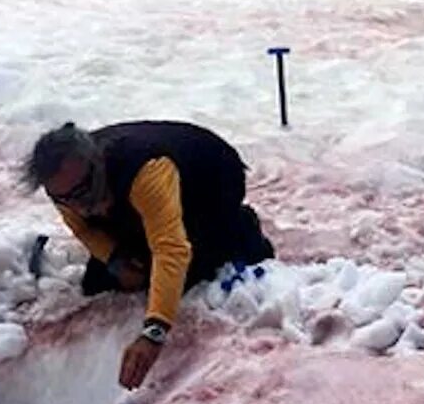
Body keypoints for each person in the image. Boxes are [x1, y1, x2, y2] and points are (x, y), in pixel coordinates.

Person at [20, 120, 274, 389]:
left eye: (81, 194)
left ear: (97, 166)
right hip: (129, 197)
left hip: (211, 180)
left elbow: (170, 250)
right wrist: (115, 259)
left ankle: (240, 229)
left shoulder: (145, 170)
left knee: (188, 275)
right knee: (100, 282)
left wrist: (154, 332)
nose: (76, 206)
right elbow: (83, 228)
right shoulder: (65, 185)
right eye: (62, 199)